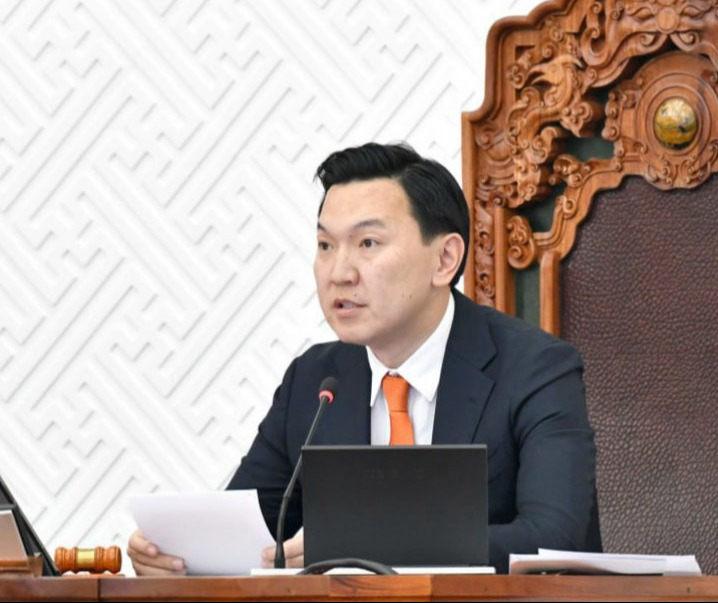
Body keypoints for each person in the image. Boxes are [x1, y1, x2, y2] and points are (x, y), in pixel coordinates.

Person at [127, 142, 601, 575]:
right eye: (325, 246)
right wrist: (180, 558)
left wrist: (370, 546)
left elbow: (552, 541)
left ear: (444, 259)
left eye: (367, 244)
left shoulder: (535, 370)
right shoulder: (315, 381)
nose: (339, 272)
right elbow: (248, 534)